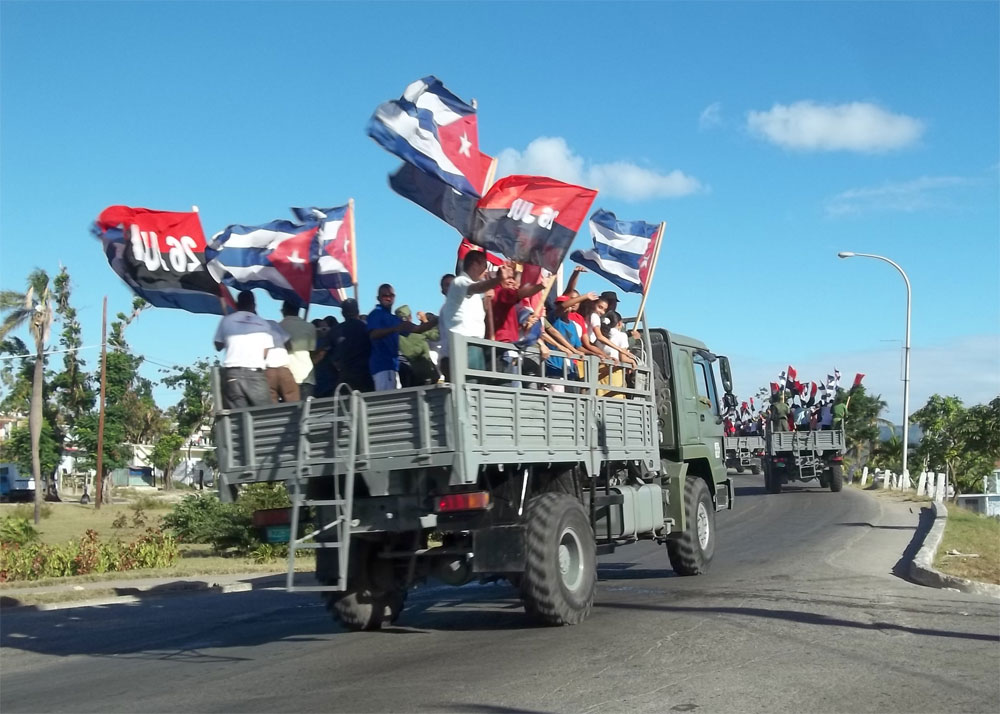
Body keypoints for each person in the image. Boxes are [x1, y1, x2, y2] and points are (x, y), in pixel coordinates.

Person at [439, 252, 513, 380]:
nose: (486, 270)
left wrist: (487, 299)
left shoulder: (474, 294)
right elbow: (475, 288)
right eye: (485, 265)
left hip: (474, 346)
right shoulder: (460, 281)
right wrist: (497, 280)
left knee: (477, 388)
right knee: (470, 388)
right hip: (464, 347)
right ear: (475, 264)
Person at [367, 284, 436, 390]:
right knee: (386, 402)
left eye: (391, 295)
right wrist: (395, 328)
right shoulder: (375, 314)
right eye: (385, 295)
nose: (388, 298)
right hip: (382, 366)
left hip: (392, 366)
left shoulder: (393, 318)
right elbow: (373, 334)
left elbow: (417, 329)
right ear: (378, 298)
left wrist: (437, 320)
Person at [213, 290, 274, 408]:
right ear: (254, 305)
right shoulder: (263, 323)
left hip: (233, 374)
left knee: (238, 417)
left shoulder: (227, 320)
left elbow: (218, 345)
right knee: (263, 415)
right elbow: (265, 354)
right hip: (255, 374)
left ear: (237, 304)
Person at [280, 300, 322, 399]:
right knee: (306, 412)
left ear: (283, 311)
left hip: (285, 375)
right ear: (298, 310)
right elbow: (312, 351)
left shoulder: (277, 327)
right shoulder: (309, 327)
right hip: (305, 375)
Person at [333, 299, 373, 392]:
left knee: (345, 405)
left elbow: (332, 358)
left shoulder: (335, 330)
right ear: (358, 312)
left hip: (345, 376)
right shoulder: (366, 328)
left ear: (342, 313)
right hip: (365, 375)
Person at [396, 305, 439, 387]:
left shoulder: (396, 336)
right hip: (428, 373)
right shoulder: (419, 331)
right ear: (410, 317)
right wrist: (425, 321)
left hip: (410, 377)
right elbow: (435, 336)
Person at [264, 318, 299, 403]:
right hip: (283, 368)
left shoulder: (245, 328)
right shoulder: (271, 323)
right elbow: (289, 344)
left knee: (272, 407)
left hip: (267, 371)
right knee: (293, 403)